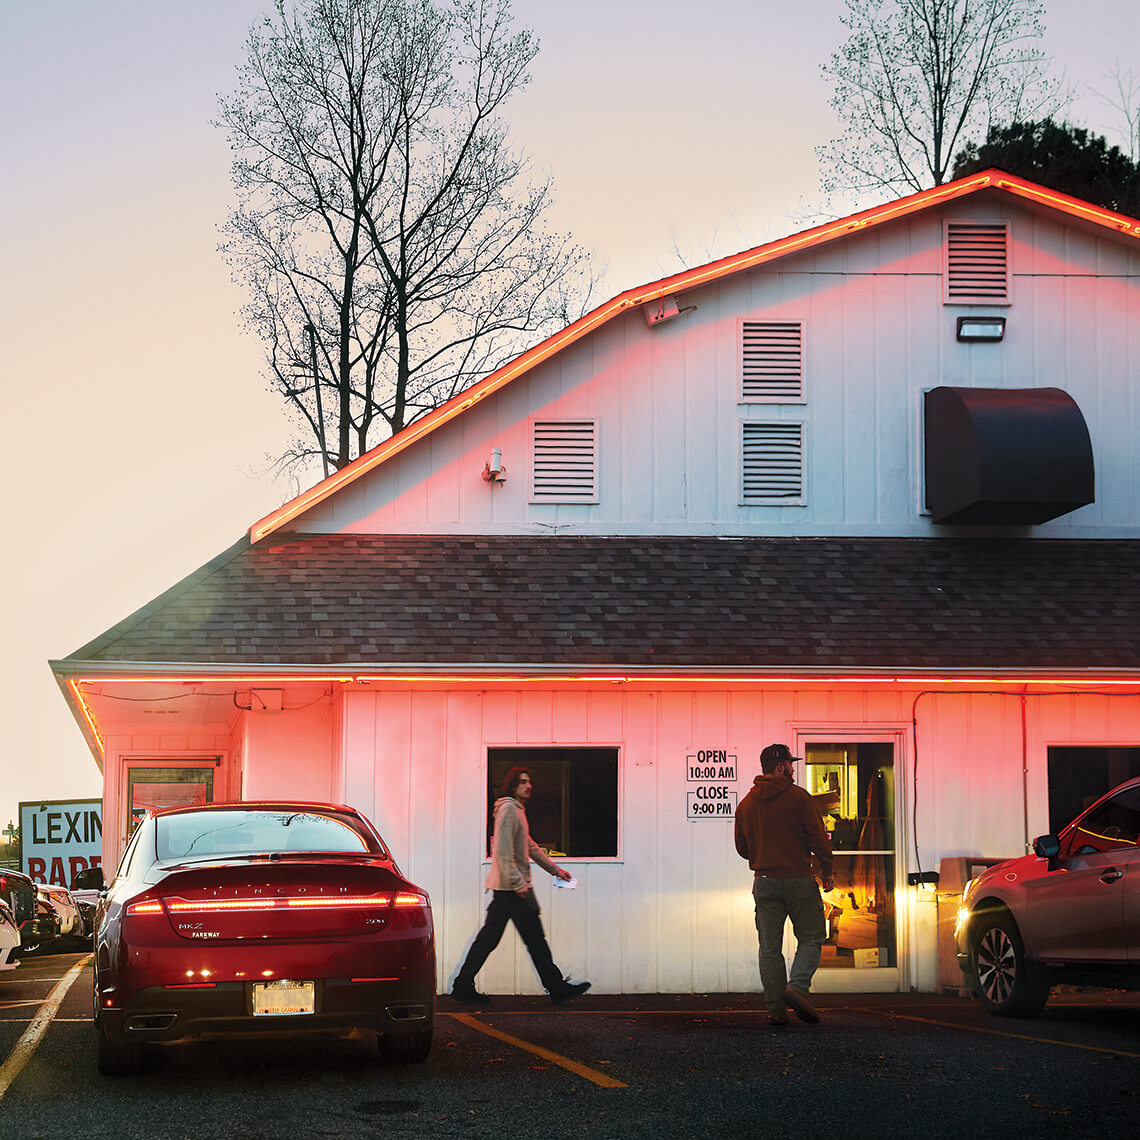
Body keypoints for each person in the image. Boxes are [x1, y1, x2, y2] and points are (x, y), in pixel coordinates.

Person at [451, 766, 591, 1006]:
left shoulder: (516, 810)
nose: (529, 785)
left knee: (491, 938)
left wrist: (556, 871)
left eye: (530, 781)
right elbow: (503, 851)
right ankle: (557, 988)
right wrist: (519, 884)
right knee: (534, 939)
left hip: (508, 889)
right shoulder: (508, 809)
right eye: (523, 782)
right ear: (513, 785)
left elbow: (530, 846)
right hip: (513, 889)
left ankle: (462, 985)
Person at [734, 743, 835, 1026]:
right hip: (798, 880)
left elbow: (743, 848)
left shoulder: (746, 805)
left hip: (764, 883)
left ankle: (776, 1010)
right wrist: (827, 869)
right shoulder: (800, 798)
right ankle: (798, 988)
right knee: (812, 936)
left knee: (769, 948)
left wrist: (764, 855)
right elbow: (817, 838)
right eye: (790, 764)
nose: (793, 768)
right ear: (780, 767)